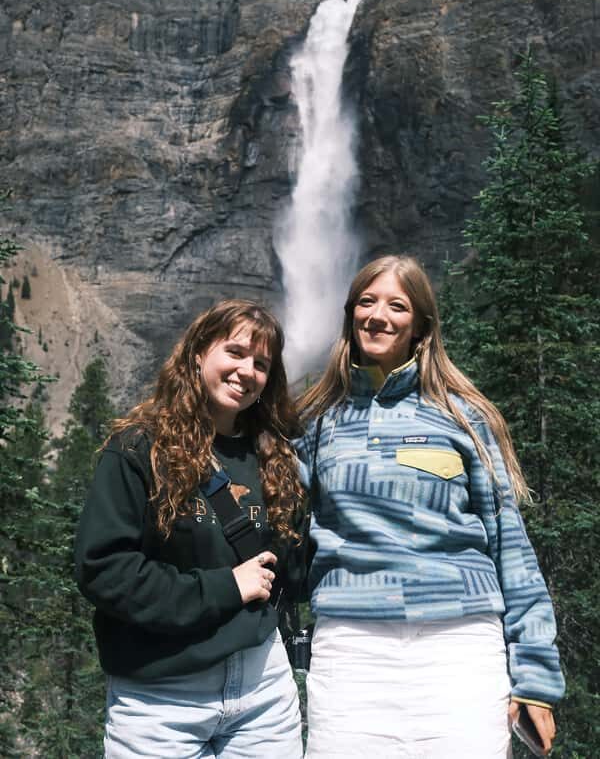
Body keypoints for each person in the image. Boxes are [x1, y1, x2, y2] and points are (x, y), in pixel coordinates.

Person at [295, 255, 564, 758]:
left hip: (459, 647)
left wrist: (536, 676)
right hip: (351, 649)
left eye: (397, 305)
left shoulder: (463, 418)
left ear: (420, 326)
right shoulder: (316, 423)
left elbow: (511, 545)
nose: (378, 316)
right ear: (350, 313)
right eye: (366, 302)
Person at [75, 299, 306, 759]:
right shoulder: (139, 449)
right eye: (235, 352)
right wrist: (227, 587)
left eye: (261, 363)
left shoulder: (276, 458)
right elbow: (105, 571)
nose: (247, 370)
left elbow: (293, 571)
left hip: (264, 690)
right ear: (198, 352)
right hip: (161, 696)